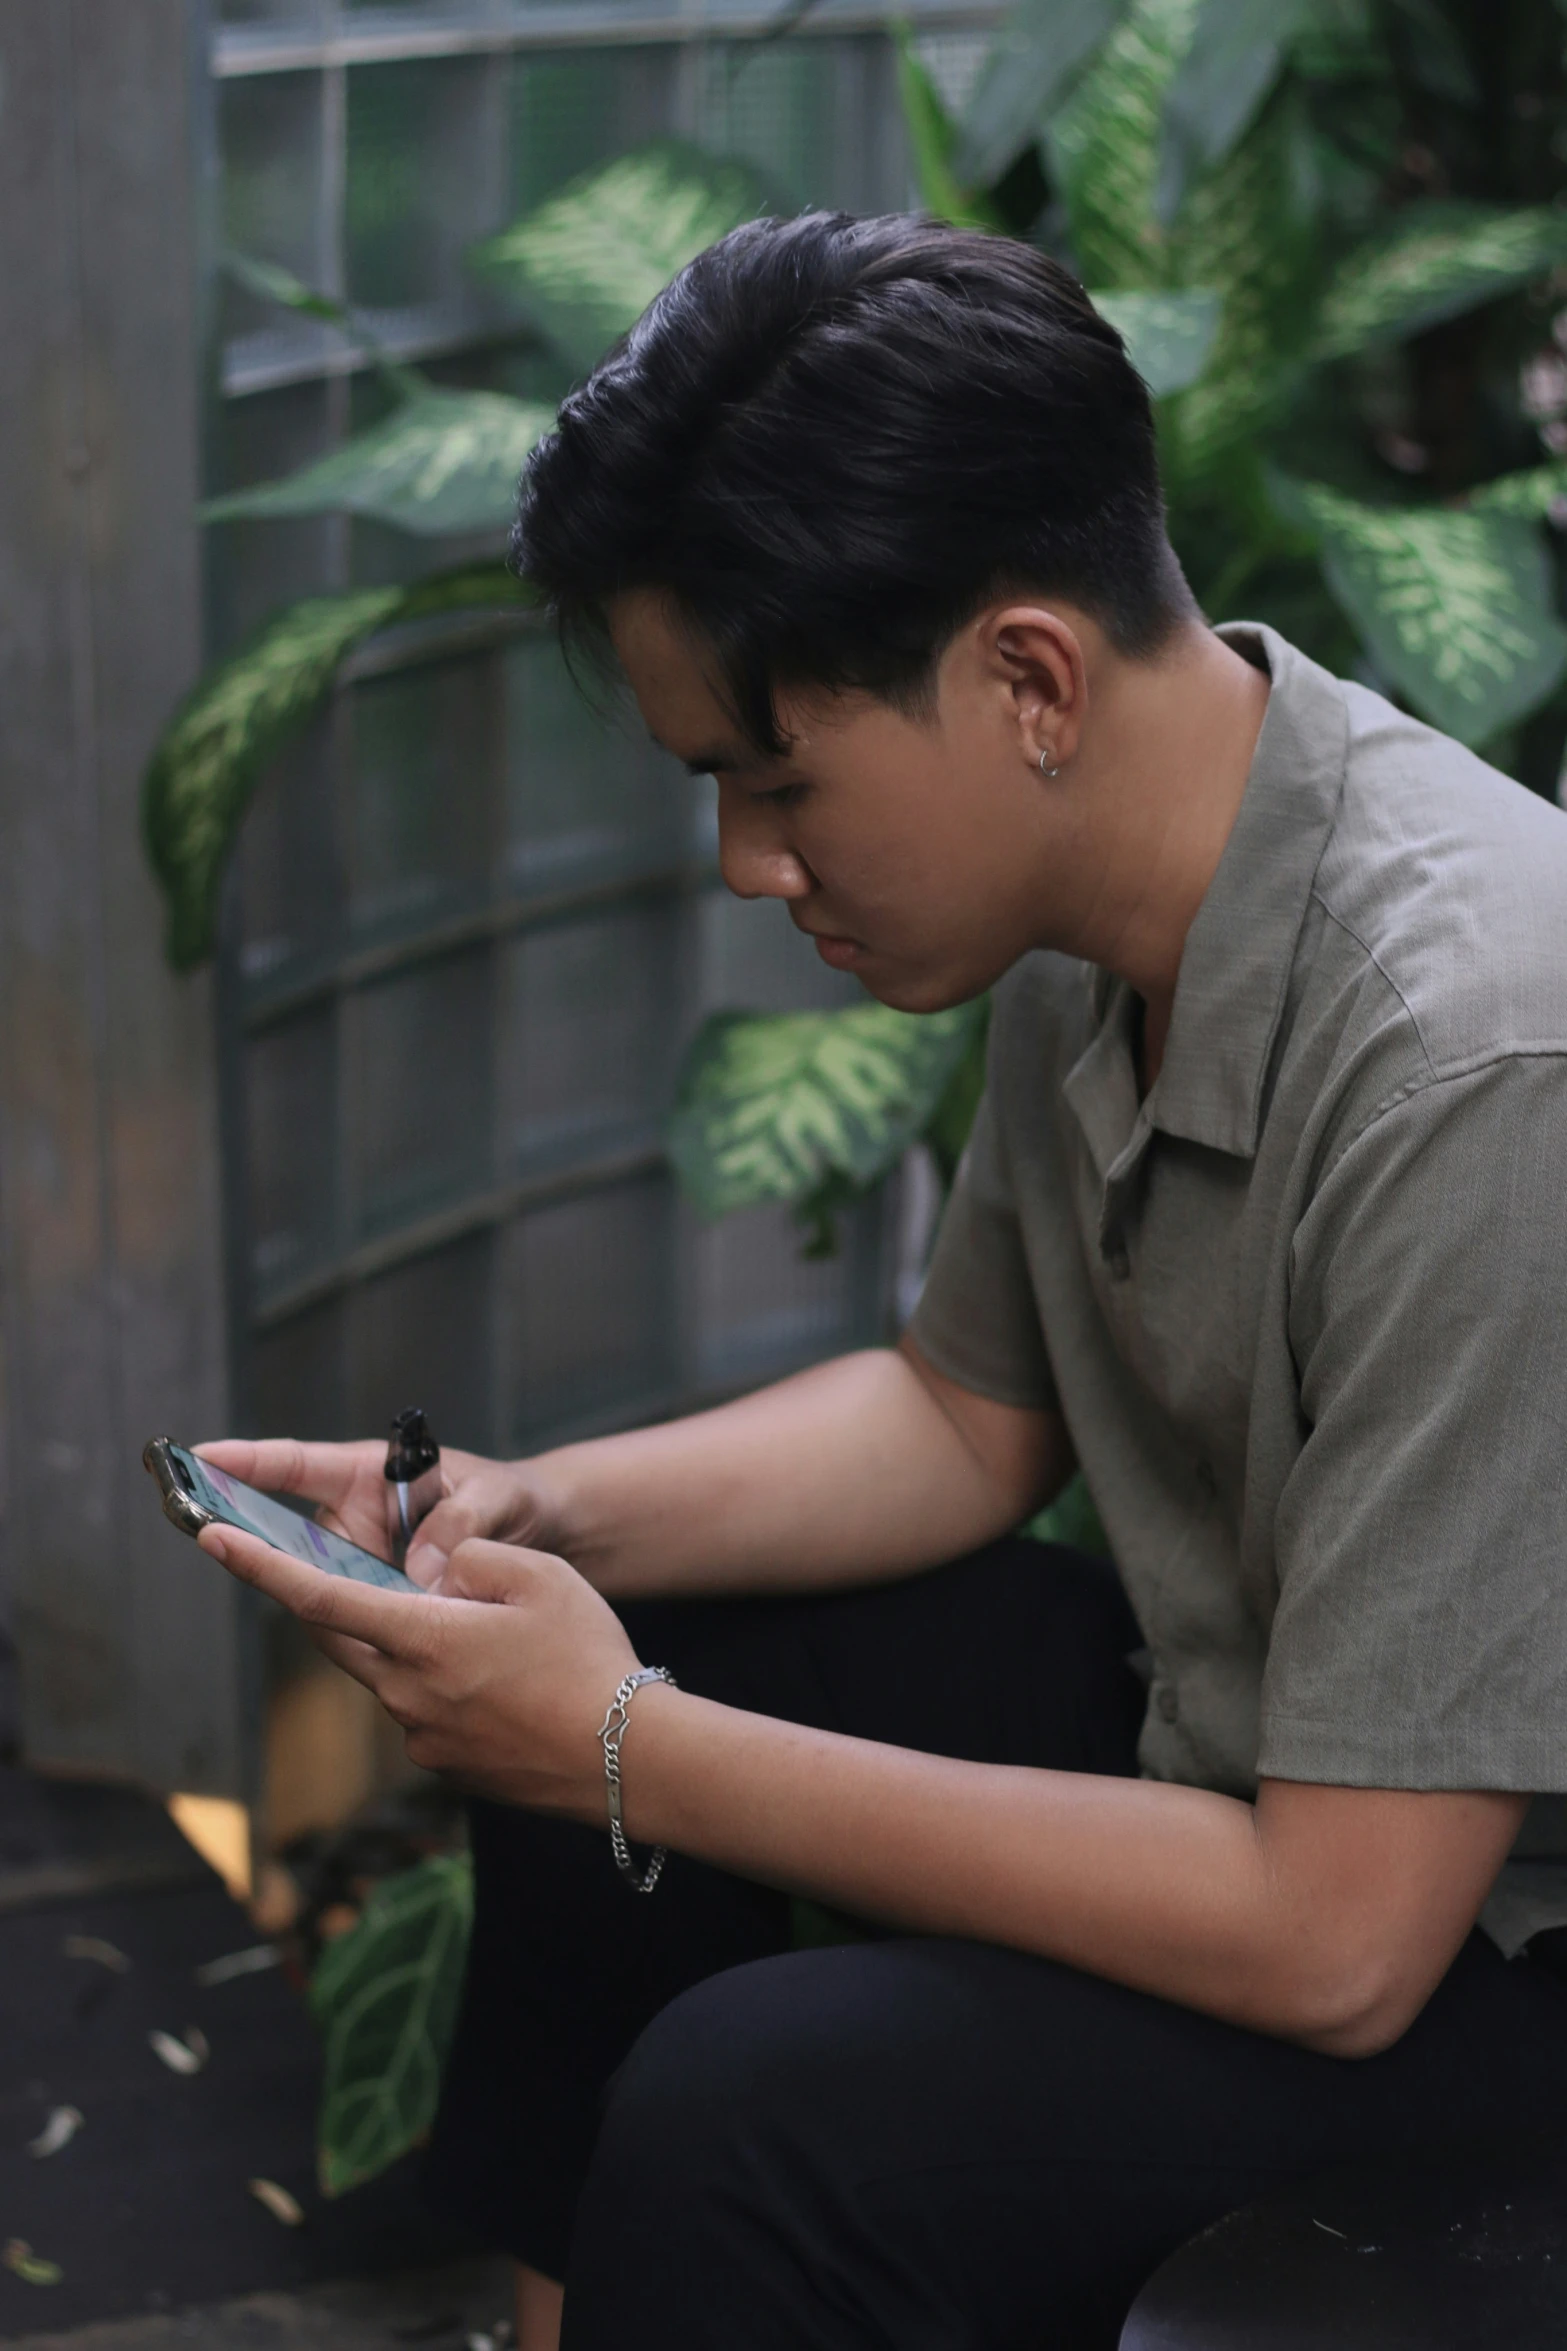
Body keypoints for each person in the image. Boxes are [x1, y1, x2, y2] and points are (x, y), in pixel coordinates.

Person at [200, 213, 1567, 2351]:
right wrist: (532, 1515)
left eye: (779, 780)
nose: (753, 864)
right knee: (609, 1654)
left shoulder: (1480, 1052)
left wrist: (630, 1740)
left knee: (756, 2119)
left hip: (1485, 1943)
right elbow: (962, 1417)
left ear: (1027, 678)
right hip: (1265, 1759)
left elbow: (1341, 1938)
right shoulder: (1111, 906)